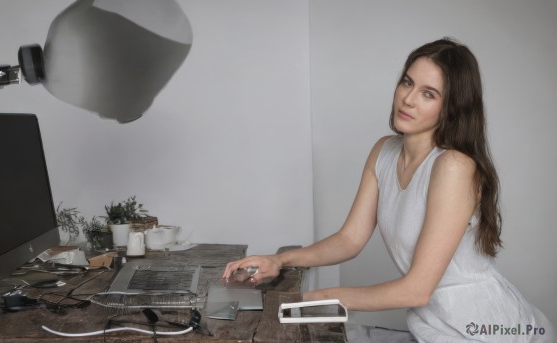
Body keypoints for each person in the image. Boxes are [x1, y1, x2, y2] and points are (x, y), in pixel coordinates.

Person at [222, 38, 554, 342]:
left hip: (486, 330)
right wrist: (279, 259)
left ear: (451, 107)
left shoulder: (453, 166)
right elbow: (350, 239)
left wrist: (315, 299)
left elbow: (416, 290)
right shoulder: (385, 150)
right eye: (407, 82)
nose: (408, 99)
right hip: (432, 326)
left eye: (429, 93)